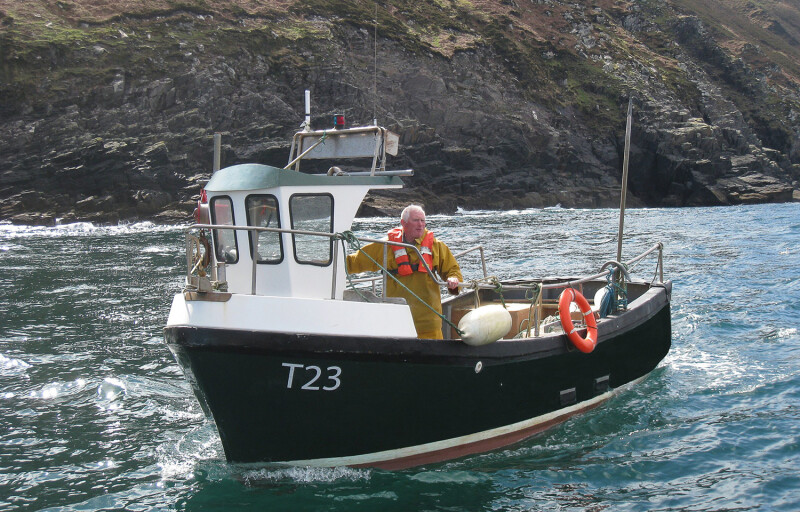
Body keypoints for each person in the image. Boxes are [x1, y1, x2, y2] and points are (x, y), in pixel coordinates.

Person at [346, 204, 463, 339]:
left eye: (423, 220)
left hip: (427, 322)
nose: (420, 224)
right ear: (403, 223)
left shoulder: (437, 246)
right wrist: (328, 264)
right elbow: (356, 261)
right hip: (396, 319)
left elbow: (452, 269)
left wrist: (453, 279)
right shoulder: (385, 246)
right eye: (416, 220)